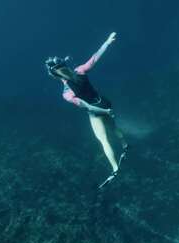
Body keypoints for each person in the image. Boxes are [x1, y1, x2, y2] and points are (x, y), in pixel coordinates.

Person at [45, 32, 128, 188]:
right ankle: (125, 145)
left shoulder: (66, 93)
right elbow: (96, 56)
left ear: (54, 75)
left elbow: (87, 106)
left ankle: (115, 168)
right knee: (113, 127)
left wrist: (104, 113)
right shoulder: (80, 70)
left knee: (103, 139)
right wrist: (107, 42)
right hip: (103, 101)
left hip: (96, 111)